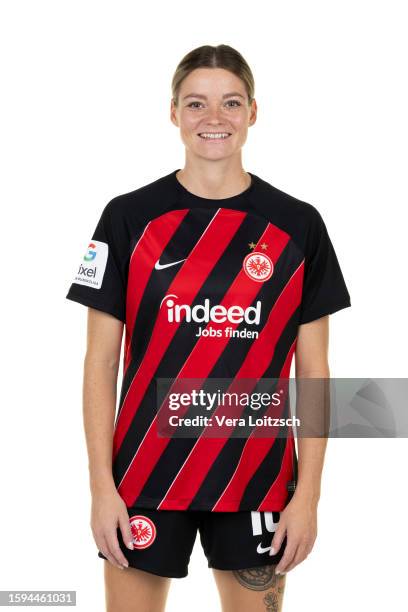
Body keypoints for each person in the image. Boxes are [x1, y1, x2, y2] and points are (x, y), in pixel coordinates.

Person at [66, 44, 351, 612]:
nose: (214, 118)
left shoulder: (299, 224)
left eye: (231, 103)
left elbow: (314, 370)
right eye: (196, 104)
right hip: (145, 475)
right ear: (174, 113)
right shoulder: (126, 217)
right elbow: (99, 361)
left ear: (252, 112)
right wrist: (102, 487)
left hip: (258, 478)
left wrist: (309, 497)